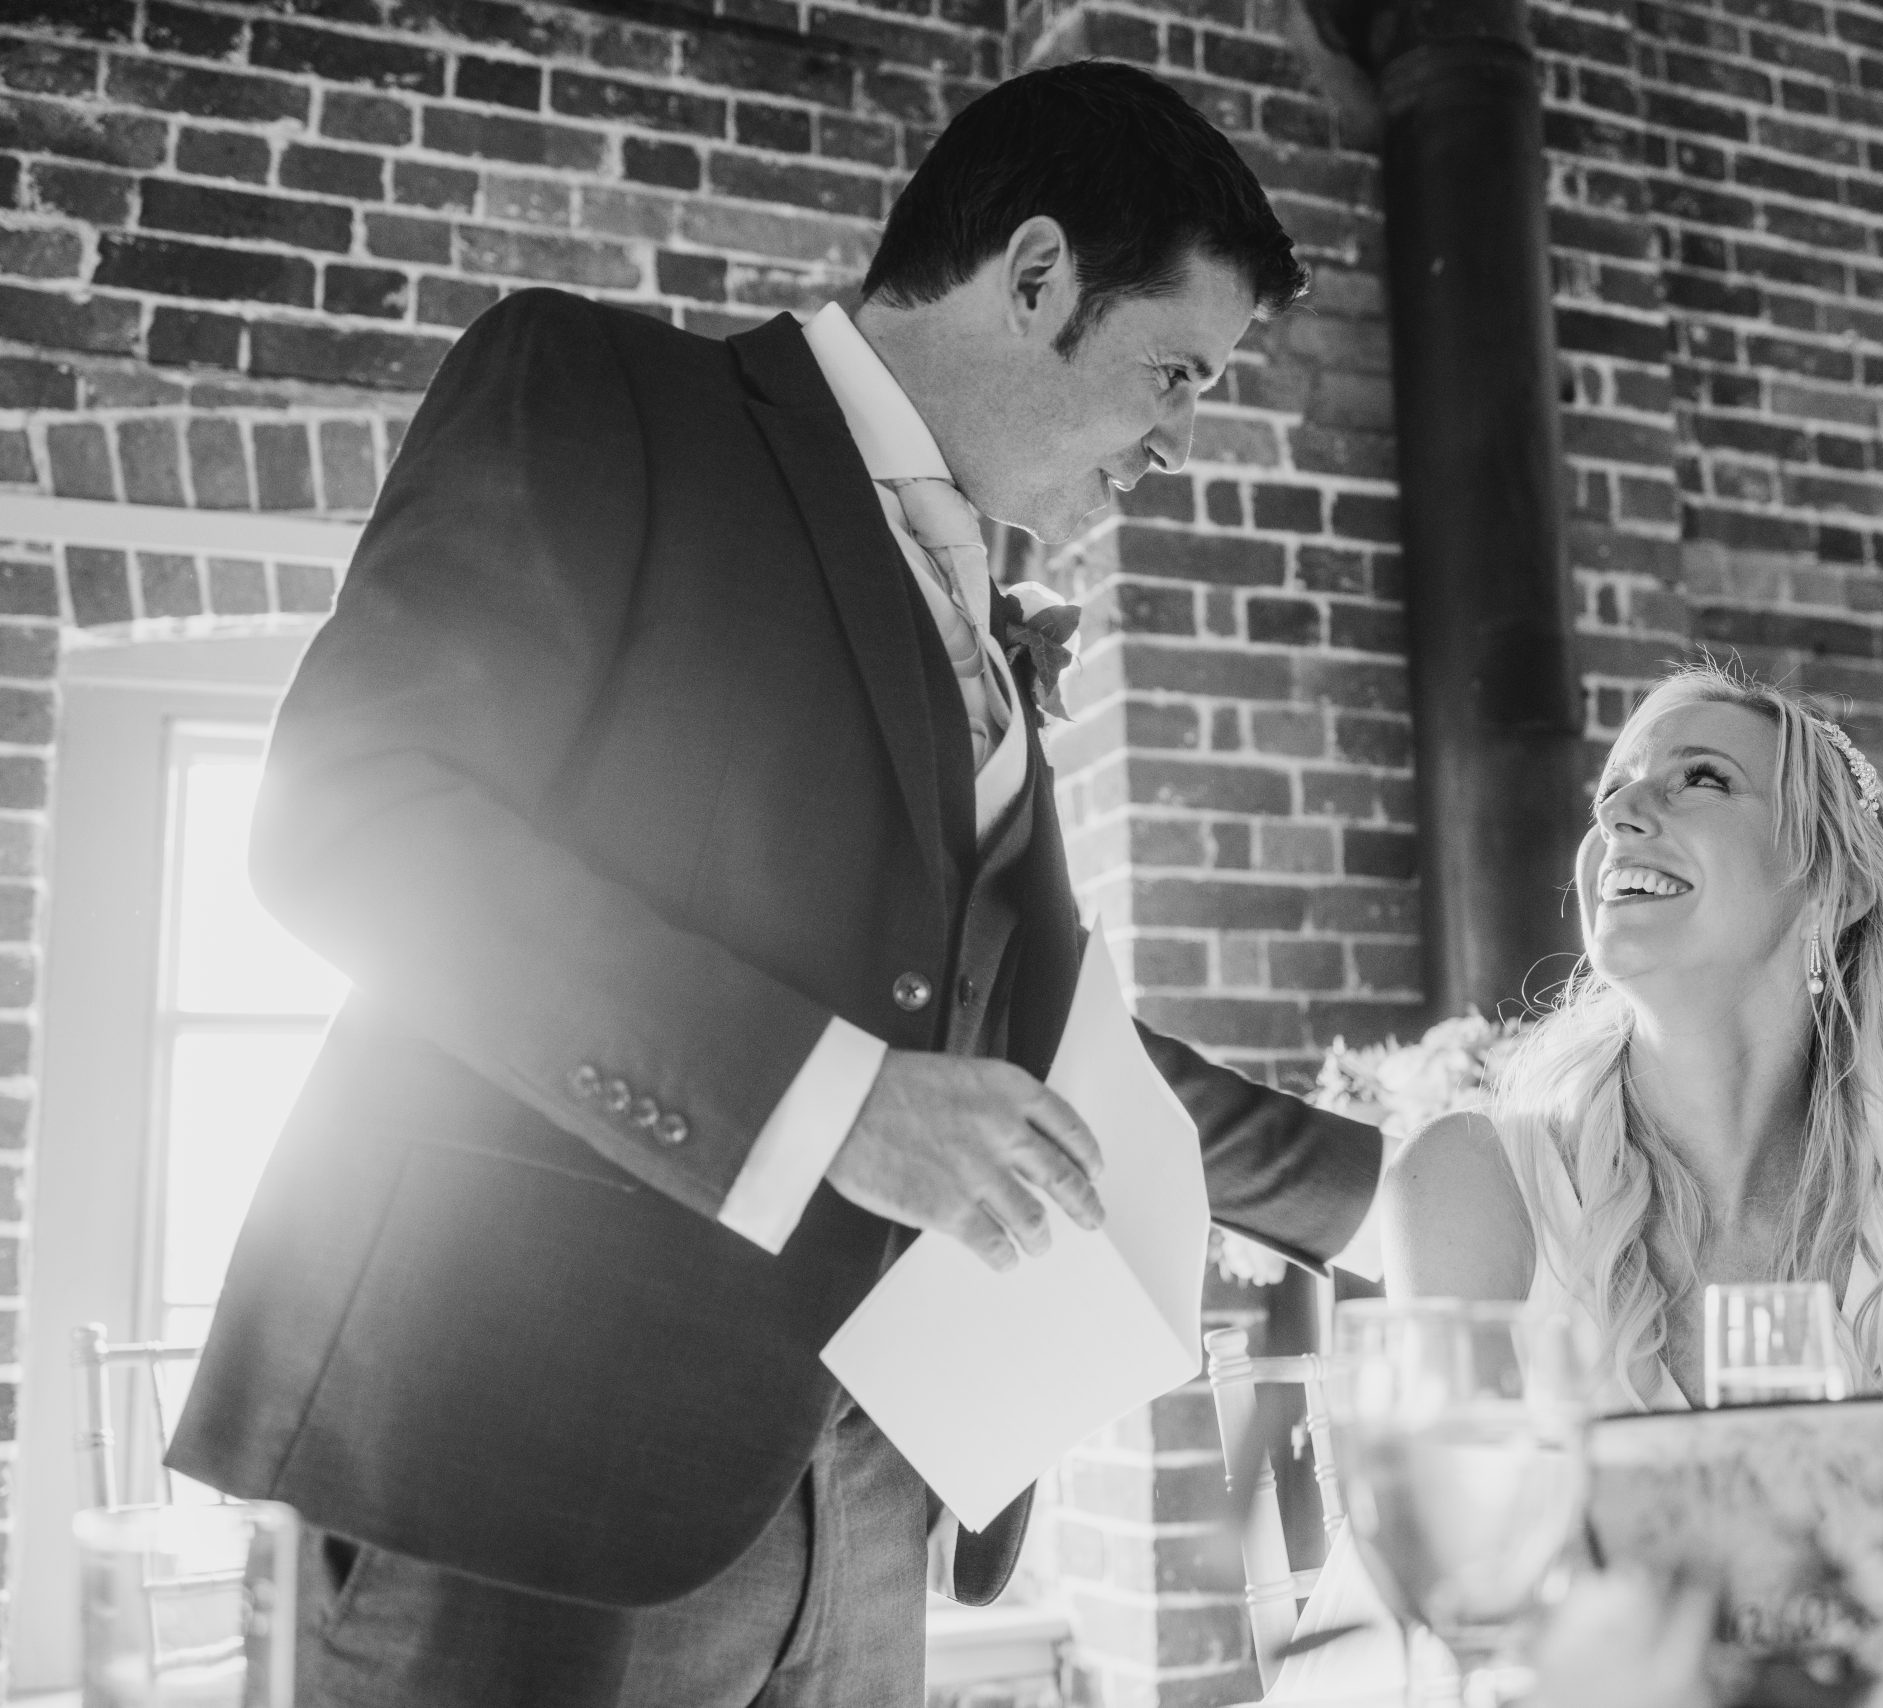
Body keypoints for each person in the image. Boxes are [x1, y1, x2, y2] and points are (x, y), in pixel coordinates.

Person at [168, 61, 1381, 1708]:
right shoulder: (603, 399)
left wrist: (1378, 1194)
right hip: (530, 1471)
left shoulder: (988, 607)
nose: (1179, 438)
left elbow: (1016, 1054)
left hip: (864, 1494)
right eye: (1174, 371)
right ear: (1032, 280)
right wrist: (832, 1105)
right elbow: (353, 821)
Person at [1268, 658, 1883, 1703]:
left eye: (1700, 778)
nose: (1622, 810)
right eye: (1613, 791)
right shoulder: (1477, 1181)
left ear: (1831, 881)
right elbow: (1462, 1619)